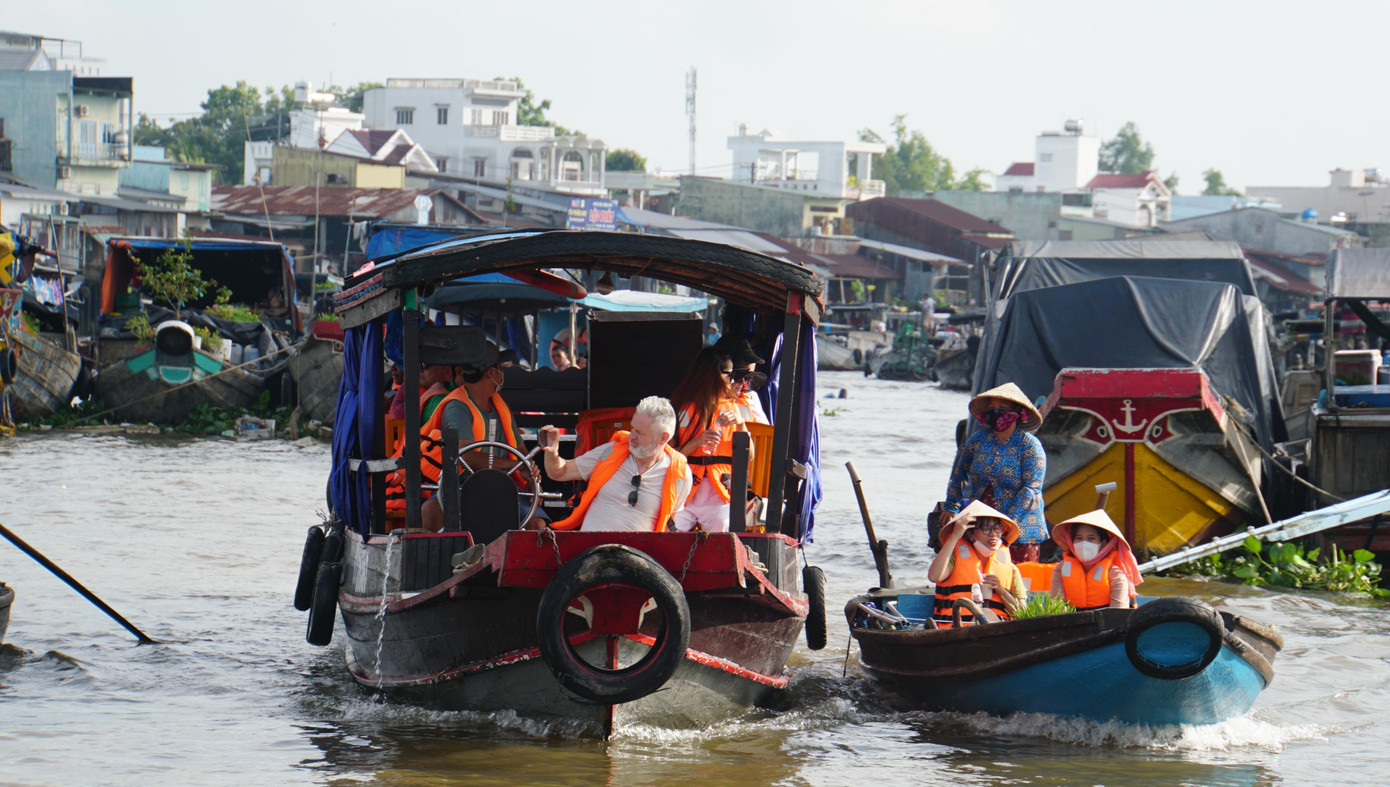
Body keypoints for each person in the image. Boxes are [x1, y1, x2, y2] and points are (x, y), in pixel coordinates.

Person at [537, 396, 692, 531]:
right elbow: (560, 472)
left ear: (663, 438)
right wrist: (552, 452)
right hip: (593, 554)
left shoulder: (680, 474)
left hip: (638, 559)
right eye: (632, 428)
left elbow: (669, 524)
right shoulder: (610, 452)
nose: (632, 436)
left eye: (640, 433)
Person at [944, 382, 1047, 563]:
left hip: (1020, 528)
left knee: (1018, 581)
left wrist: (1008, 525)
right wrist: (951, 506)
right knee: (978, 576)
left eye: (1003, 408)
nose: (996, 412)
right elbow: (959, 474)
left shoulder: (1029, 445)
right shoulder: (978, 439)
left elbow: (1031, 489)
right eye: (992, 408)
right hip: (981, 525)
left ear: (1018, 413)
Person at [670, 346, 750, 533]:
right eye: (728, 375)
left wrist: (740, 424)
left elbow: (750, 455)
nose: (732, 380)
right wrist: (696, 442)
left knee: (722, 526)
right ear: (712, 375)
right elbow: (670, 457)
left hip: (720, 493)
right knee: (670, 528)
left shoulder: (735, 407)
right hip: (686, 490)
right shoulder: (682, 406)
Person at [927, 500, 1027, 626]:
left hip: (998, 631)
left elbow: (1022, 614)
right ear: (970, 534)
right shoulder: (953, 558)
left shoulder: (1011, 569)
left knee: (986, 613)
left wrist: (1001, 590)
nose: (993, 534)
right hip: (956, 630)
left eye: (997, 528)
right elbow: (934, 576)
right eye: (985, 528)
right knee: (985, 613)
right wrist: (955, 536)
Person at [1049, 510, 1142, 610]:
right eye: (1079, 538)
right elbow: (1057, 606)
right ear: (1072, 542)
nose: (1084, 543)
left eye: (1091, 538)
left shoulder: (1115, 574)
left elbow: (1118, 612)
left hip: (1107, 621)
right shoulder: (1061, 569)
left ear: (1103, 544)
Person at [714, 335, 769, 424]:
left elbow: (765, 430)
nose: (743, 382)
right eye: (737, 377)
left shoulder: (750, 396)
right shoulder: (707, 401)